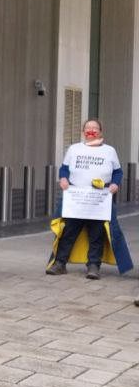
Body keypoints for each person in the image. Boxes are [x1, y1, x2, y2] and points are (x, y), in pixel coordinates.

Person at [47, 119, 131, 279]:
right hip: (76, 199)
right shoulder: (74, 149)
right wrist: (63, 179)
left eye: (94, 128)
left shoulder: (109, 151)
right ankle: (59, 263)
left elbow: (118, 172)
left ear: (100, 131)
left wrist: (115, 184)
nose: (90, 131)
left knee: (97, 232)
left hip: (99, 200)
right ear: (83, 131)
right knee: (68, 231)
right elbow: (64, 169)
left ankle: (93, 266)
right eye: (87, 128)